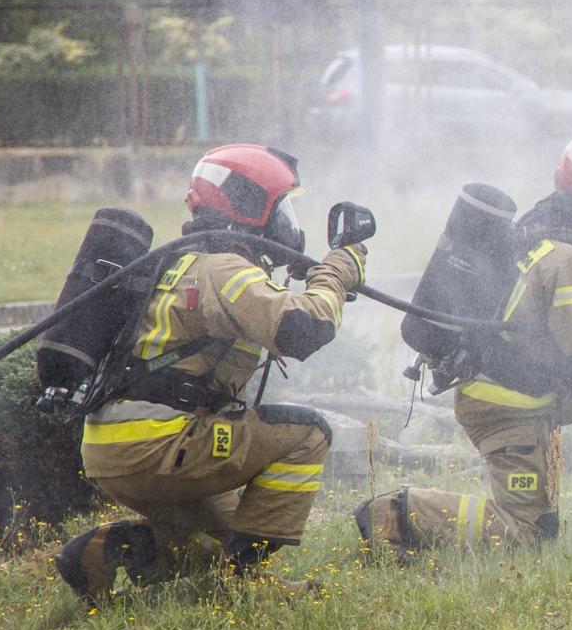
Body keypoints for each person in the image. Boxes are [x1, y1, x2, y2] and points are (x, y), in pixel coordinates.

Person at [356, 132, 572, 556]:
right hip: (505, 407)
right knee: (529, 534)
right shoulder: (568, 257)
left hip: (537, 389)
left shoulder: (554, 233)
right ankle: (396, 512)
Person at [52, 144, 368, 603]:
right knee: (308, 433)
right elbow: (304, 329)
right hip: (161, 443)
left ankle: (97, 554)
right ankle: (244, 585)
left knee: (214, 545)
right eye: (281, 208)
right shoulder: (224, 269)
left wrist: (294, 272)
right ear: (248, 206)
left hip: (113, 446)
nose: (287, 223)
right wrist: (337, 271)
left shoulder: (177, 263)